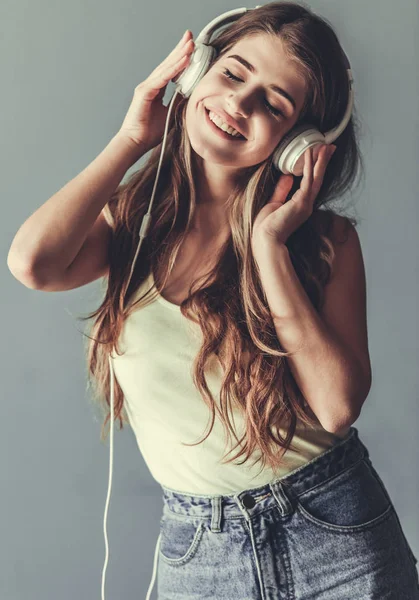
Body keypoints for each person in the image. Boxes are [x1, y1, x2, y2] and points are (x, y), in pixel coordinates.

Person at [7, 2, 418, 598]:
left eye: (275, 104)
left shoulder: (327, 242)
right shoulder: (135, 222)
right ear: (197, 70)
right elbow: (32, 263)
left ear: (300, 142)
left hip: (334, 532)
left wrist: (268, 246)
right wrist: (131, 138)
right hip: (200, 549)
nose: (240, 103)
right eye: (232, 73)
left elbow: (336, 408)